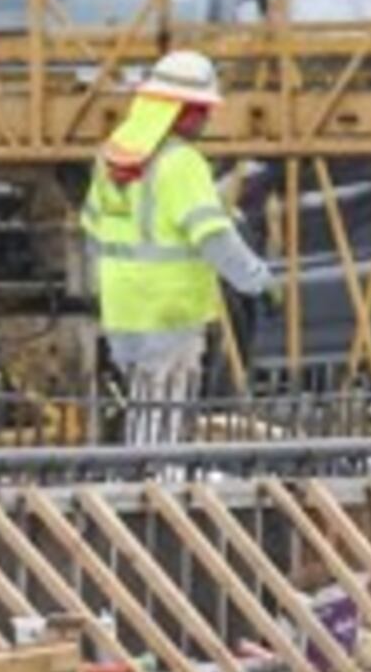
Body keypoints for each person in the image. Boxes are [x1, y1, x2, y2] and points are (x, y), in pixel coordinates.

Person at [83, 48, 274, 448]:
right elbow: (214, 237)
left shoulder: (113, 158)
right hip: (171, 309)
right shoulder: (181, 163)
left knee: (144, 406)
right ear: (182, 111)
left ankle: (142, 473)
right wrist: (257, 280)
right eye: (202, 110)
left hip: (122, 308)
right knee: (164, 416)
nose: (206, 120)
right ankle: (157, 480)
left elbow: (93, 232)